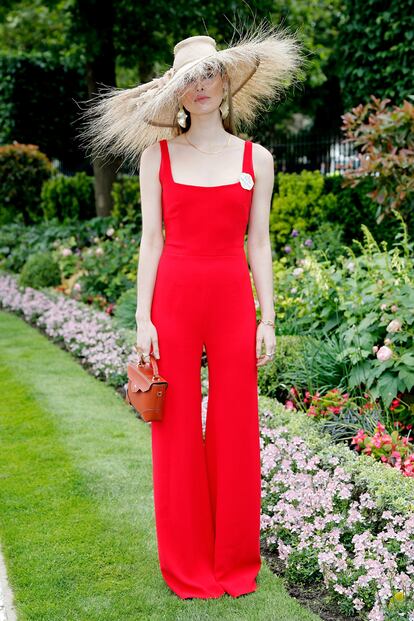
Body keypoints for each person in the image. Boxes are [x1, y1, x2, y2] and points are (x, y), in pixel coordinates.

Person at [76, 20, 305, 600]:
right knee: (174, 430)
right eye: (189, 79)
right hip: (173, 298)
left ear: (225, 81)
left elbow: (259, 244)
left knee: (235, 429)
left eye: (209, 74)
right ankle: (186, 566)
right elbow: (150, 240)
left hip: (232, 299)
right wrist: (142, 317)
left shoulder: (260, 158)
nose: (201, 86)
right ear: (175, 92)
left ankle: (233, 564)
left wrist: (268, 318)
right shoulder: (157, 158)